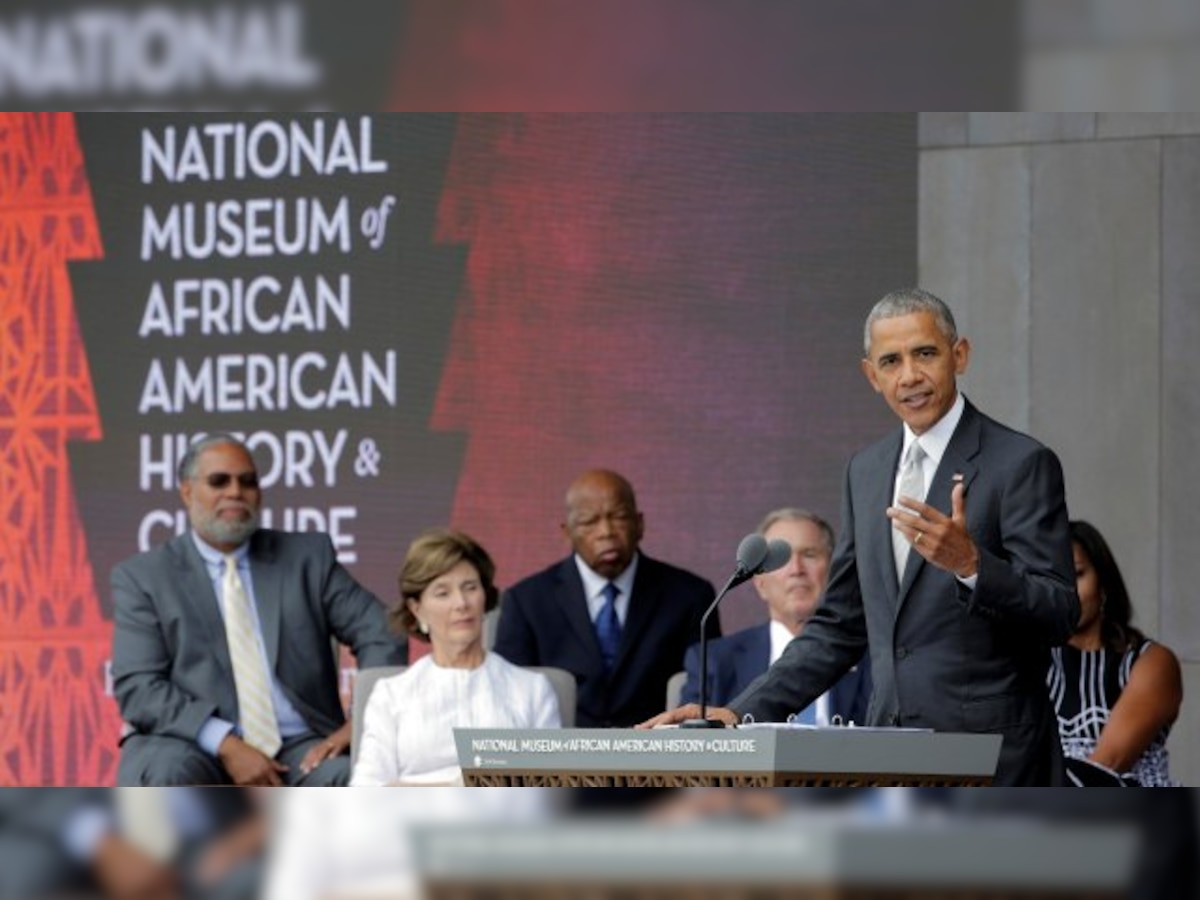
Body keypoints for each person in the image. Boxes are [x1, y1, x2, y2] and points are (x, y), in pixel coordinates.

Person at [643, 288, 1080, 786]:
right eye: (891, 361)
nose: (910, 375)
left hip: (994, 761)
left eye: (925, 354)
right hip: (888, 761)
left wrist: (972, 566)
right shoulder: (866, 470)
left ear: (960, 355)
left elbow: (1060, 613)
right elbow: (840, 626)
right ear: (872, 376)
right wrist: (740, 714)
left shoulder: (1019, 463)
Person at [111, 434, 404, 786]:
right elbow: (140, 687)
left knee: (357, 776)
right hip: (193, 748)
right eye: (219, 481)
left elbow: (382, 630)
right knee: (170, 774)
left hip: (300, 750)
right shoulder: (144, 577)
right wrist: (224, 742)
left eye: (247, 482)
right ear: (187, 492)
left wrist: (361, 721)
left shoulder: (306, 558)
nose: (236, 492)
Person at [494, 468, 719, 727]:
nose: (606, 532)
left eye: (619, 517)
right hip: (562, 757)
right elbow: (509, 699)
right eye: (590, 521)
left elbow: (705, 693)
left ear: (640, 524)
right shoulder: (527, 601)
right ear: (567, 533)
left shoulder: (689, 596)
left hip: (656, 755)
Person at [350, 529, 561, 785]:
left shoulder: (531, 690)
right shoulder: (392, 695)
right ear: (417, 610)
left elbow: (551, 793)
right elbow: (366, 792)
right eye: (443, 593)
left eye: (470, 588)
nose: (461, 603)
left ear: (485, 597)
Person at [681, 508, 871, 724]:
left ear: (835, 571)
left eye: (809, 554)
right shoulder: (714, 662)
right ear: (759, 582)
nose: (796, 569)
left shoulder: (876, 658)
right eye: (783, 559)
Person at [1047, 520, 1183, 786]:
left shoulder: (1150, 661)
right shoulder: (1031, 661)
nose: (1065, 590)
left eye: (1077, 574)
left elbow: (1104, 767)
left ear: (1104, 585)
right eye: (1053, 577)